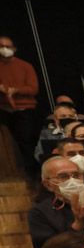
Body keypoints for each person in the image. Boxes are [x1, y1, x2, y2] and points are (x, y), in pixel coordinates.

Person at [29, 156, 84, 248]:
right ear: (48, 185)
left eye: (76, 175)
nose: (72, 181)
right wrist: (77, 226)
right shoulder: (40, 213)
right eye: (63, 177)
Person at [0, 36, 40, 172]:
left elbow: (33, 89)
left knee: (25, 142)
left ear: (14, 49)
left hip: (24, 109)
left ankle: (30, 172)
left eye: (7, 46)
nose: (4, 49)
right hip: (4, 109)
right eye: (1, 46)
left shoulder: (25, 66)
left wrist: (16, 90)